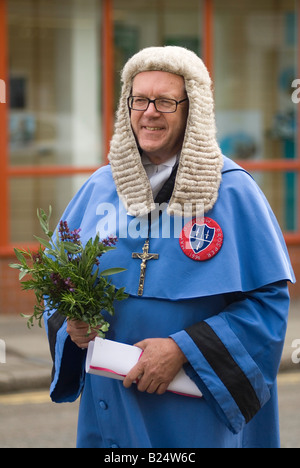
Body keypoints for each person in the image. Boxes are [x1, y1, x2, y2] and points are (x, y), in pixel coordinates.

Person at [44, 46, 295, 448]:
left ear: (192, 110)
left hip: (199, 405)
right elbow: (54, 284)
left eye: (165, 101)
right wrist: (70, 325)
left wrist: (184, 349)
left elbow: (267, 306)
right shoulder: (98, 188)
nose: (150, 112)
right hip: (113, 402)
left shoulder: (234, 191)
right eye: (140, 100)